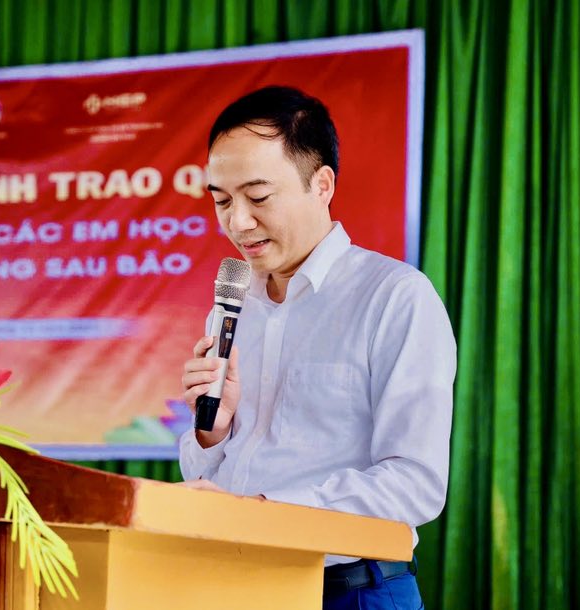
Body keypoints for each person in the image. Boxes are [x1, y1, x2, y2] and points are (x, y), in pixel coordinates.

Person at [178, 86, 456, 610]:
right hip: (238, 585)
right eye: (222, 201)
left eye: (258, 197)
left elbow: (415, 483)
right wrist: (212, 433)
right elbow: (207, 478)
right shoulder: (231, 309)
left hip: (352, 591)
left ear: (322, 184)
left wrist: (263, 512)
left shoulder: (394, 297)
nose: (238, 222)